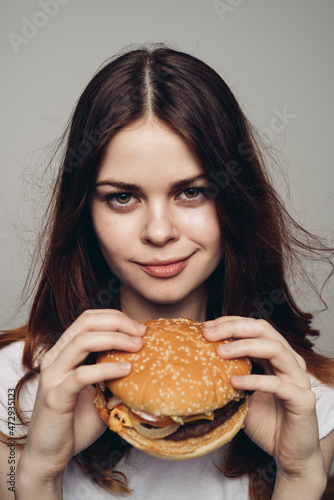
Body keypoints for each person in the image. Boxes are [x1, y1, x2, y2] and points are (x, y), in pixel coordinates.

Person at [0, 43, 334, 500]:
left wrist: (300, 477)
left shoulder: (309, 399)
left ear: (235, 199)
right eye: (122, 196)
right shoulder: (10, 388)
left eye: (191, 192)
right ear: (84, 211)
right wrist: (36, 471)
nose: (159, 232)